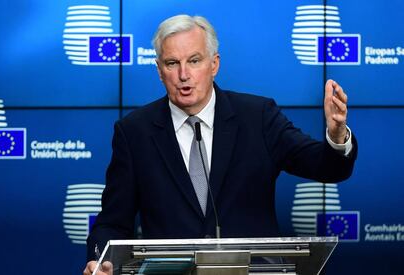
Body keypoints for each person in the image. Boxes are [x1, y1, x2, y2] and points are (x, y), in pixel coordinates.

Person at [83, 14, 357, 275]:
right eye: (171, 63)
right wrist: (100, 260)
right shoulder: (134, 132)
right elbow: (112, 222)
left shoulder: (257, 117)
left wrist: (336, 135)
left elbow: (328, 168)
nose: (183, 74)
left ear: (214, 64)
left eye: (194, 60)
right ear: (159, 70)